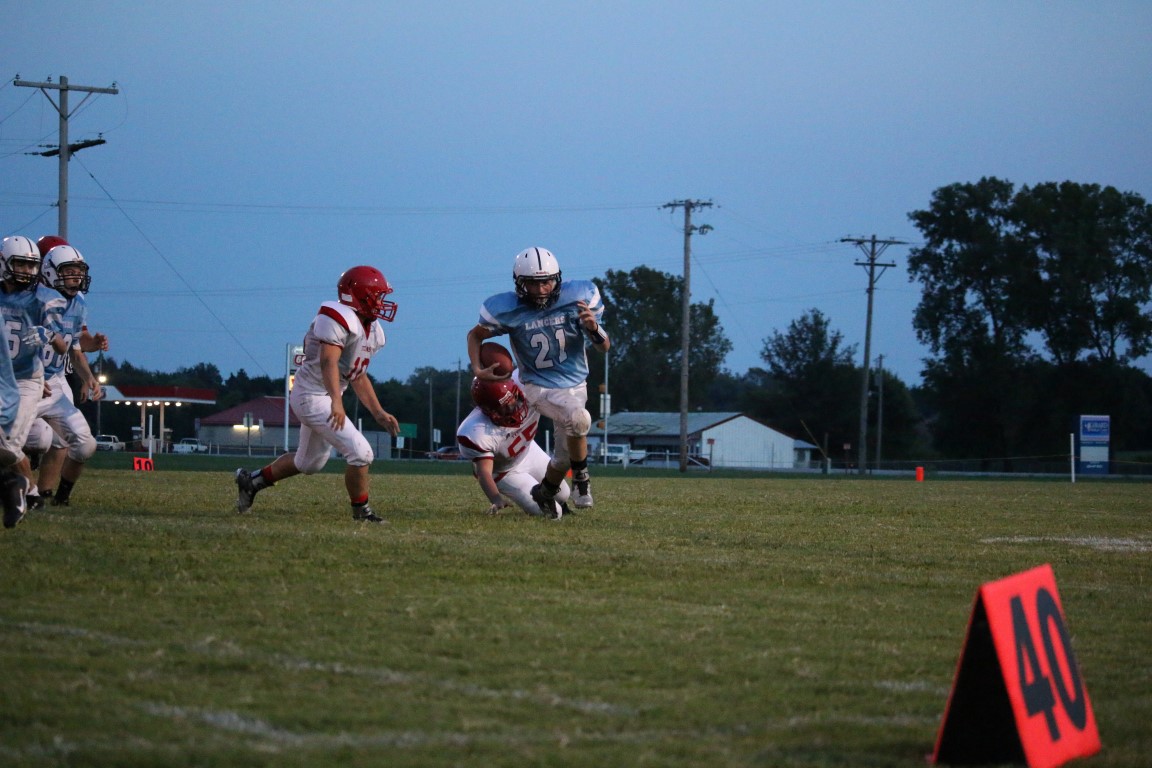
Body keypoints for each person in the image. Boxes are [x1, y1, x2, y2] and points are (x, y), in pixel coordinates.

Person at [234, 266, 401, 523]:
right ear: (359, 296)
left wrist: (378, 412)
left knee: (309, 463)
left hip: (326, 395)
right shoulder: (338, 316)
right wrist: (336, 402)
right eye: (377, 296)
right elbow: (328, 362)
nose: (381, 302)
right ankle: (361, 512)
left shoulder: (373, 330)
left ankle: (251, 482)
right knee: (361, 453)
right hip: (310, 395)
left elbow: (357, 375)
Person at [466, 246, 608, 514]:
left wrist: (594, 328)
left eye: (546, 282)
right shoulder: (507, 309)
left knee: (563, 456)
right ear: (520, 283)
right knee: (579, 419)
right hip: (538, 386)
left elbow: (604, 347)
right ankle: (582, 480)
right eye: (532, 283)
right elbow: (475, 335)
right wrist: (477, 367)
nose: (541, 289)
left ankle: (545, 492)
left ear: (557, 279)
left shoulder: (580, 297)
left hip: (575, 385)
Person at [32, 242, 107, 507]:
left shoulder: (77, 303)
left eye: (79, 272)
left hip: (53, 382)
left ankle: (59, 498)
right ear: (50, 271)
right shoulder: (33, 299)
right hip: (25, 382)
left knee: (85, 444)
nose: (76, 277)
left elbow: (74, 347)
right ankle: (24, 492)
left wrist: (88, 377)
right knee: (38, 440)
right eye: (69, 272)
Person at [0, 235, 69, 516]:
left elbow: (63, 346)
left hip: (26, 380)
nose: (27, 271)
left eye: (31, 266)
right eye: (20, 264)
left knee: (7, 447)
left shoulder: (43, 298)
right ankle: (29, 493)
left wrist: (49, 335)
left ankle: (24, 490)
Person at [457, 373, 572, 519]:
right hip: (505, 471)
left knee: (563, 494)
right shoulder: (476, 431)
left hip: (528, 450)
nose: (513, 408)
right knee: (553, 513)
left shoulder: (527, 382)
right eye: (505, 407)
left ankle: (562, 505)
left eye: (514, 400)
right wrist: (496, 499)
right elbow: (484, 472)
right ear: (488, 410)